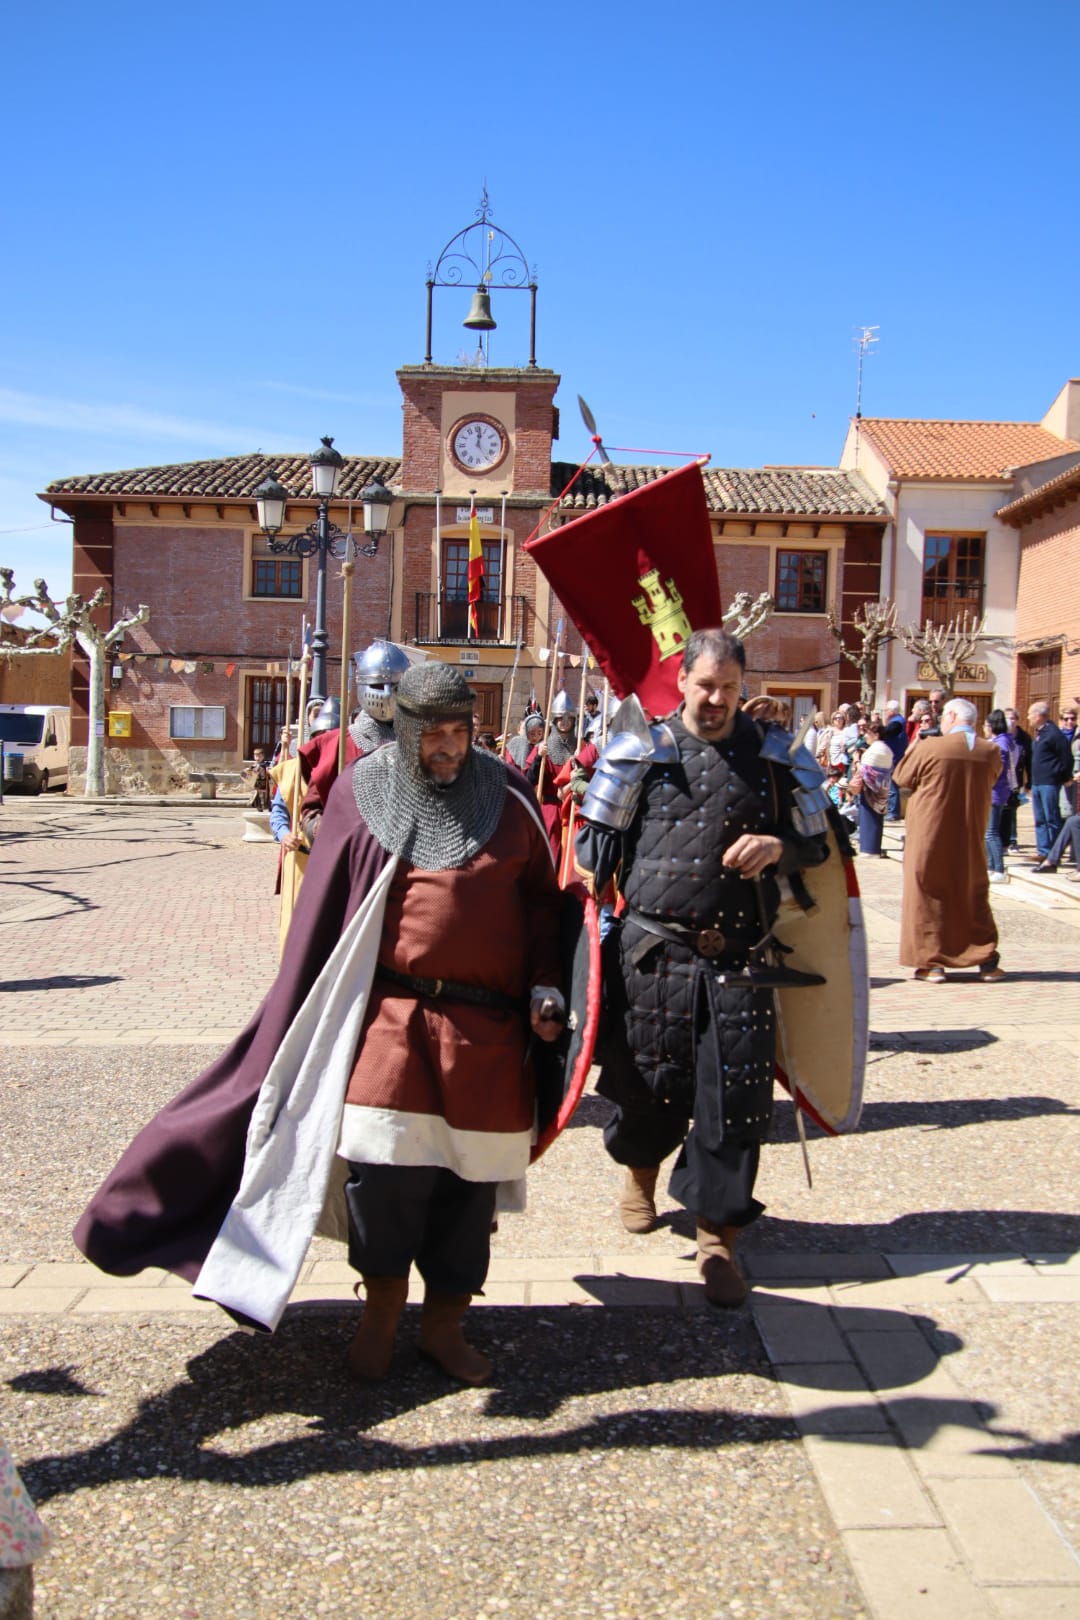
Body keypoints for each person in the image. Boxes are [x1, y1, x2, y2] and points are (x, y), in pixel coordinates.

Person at [75, 663, 565, 1387]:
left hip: (487, 1035)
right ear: (403, 730)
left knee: (469, 1191)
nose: (448, 747)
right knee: (383, 1177)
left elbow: (547, 905)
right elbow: (327, 916)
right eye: (432, 733)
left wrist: (549, 983)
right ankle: (381, 1316)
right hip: (392, 1022)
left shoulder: (513, 799)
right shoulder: (365, 793)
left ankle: (444, 1326)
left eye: (459, 732)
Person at [575, 628, 831, 1308]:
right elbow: (590, 854)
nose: (716, 699)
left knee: (738, 1106)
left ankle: (719, 1237)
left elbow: (820, 848)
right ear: (682, 681)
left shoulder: (776, 759)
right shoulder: (640, 752)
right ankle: (639, 1170)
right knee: (646, 1092)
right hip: (653, 958)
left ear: (742, 687)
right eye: (705, 685)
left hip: (741, 960)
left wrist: (778, 845)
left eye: (728, 687)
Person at [892, 697, 1004, 983]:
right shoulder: (989, 751)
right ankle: (986, 961)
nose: (941, 721)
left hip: (931, 831)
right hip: (970, 832)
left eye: (943, 717)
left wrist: (916, 744)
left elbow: (902, 777)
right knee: (972, 890)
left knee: (927, 892)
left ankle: (932, 962)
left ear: (952, 716)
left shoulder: (931, 747)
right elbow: (992, 778)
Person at [1027, 702, 1073, 861]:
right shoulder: (1039, 733)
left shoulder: (1054, 734)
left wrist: (1064, 777)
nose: (1028, 718)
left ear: (1039, 716)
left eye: (1030, 715)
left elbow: (1066, 758)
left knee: (1051, 817)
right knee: (1040, 818)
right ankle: (1043, 851)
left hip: (1049, 782)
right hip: (1037, 782)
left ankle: (1054, 853)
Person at [984, 709, 1021, 883]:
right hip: (997, 790)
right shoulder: (1006, 742)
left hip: (995, 791)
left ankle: (998, 868)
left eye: (986, 725)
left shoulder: (1000, 745)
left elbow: (998, 769)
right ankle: (991, 866)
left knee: (991, 832)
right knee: (988, 832)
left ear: (991, 726)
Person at [849, 718, 892, 856]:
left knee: (869, 818)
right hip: (882, 790)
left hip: (871, 791)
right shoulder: (886, 749)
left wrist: (857, 760)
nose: (865, 736)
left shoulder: (876, 750)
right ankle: (871, 847)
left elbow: (867, 772)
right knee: (875, 819)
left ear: (876, 735)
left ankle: (869, 849)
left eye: (868, 733)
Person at [1001, 708, 1031, 853]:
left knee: (1012, 809)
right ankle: (1002, 839)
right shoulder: (1001, 736)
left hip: (1016, 779)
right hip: (1001, 779)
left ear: (1017, 720)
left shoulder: (1024, 738)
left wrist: (1029, 782)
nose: (1010, 721)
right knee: (1002, 810)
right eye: (1007, 718)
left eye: (1013, 718)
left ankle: (1012, 840)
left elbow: (1029, 760)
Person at [881, 700, 907, 818]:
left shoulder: (897, 722)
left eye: (886, 710)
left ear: (892, 711)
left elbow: (887, 732)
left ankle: (893, 812)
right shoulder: (896, 721)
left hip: (894, 757)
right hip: (892, 756)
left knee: (892, 785)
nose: (885, 713)